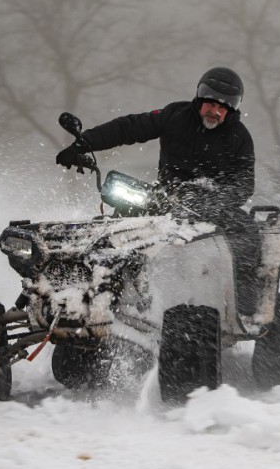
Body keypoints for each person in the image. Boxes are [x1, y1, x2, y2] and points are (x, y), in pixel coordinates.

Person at [55, 66, 262, 318]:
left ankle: (246, 304)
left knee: (248, 233)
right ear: (200, 98)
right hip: (166, 198)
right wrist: (84, 143)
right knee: (118, 223)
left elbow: (244, 184)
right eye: (211, 104)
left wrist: (214, 201)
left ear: (231, 110)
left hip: (213, 206)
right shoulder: (175, 116)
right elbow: (129, 127)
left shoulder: (239, 137)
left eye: (223, 107)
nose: (215, 111)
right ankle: (99, 287)